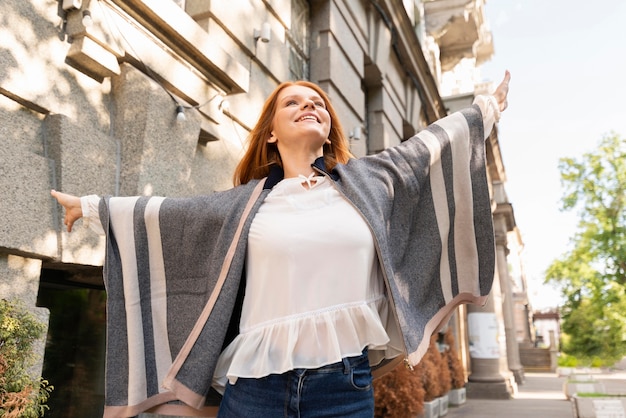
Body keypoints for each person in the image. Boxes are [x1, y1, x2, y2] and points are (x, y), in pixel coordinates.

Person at [52, 71, 511, 418]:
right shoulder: (244, 205)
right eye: (293, 102)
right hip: (254, 390)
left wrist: (484, 110)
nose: (309, 106)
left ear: (330, 128)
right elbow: (170, 216)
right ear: (271, 131)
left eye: (318, 103)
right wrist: (92, 207)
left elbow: (427, 149)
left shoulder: (370, 181)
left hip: (343, 387)